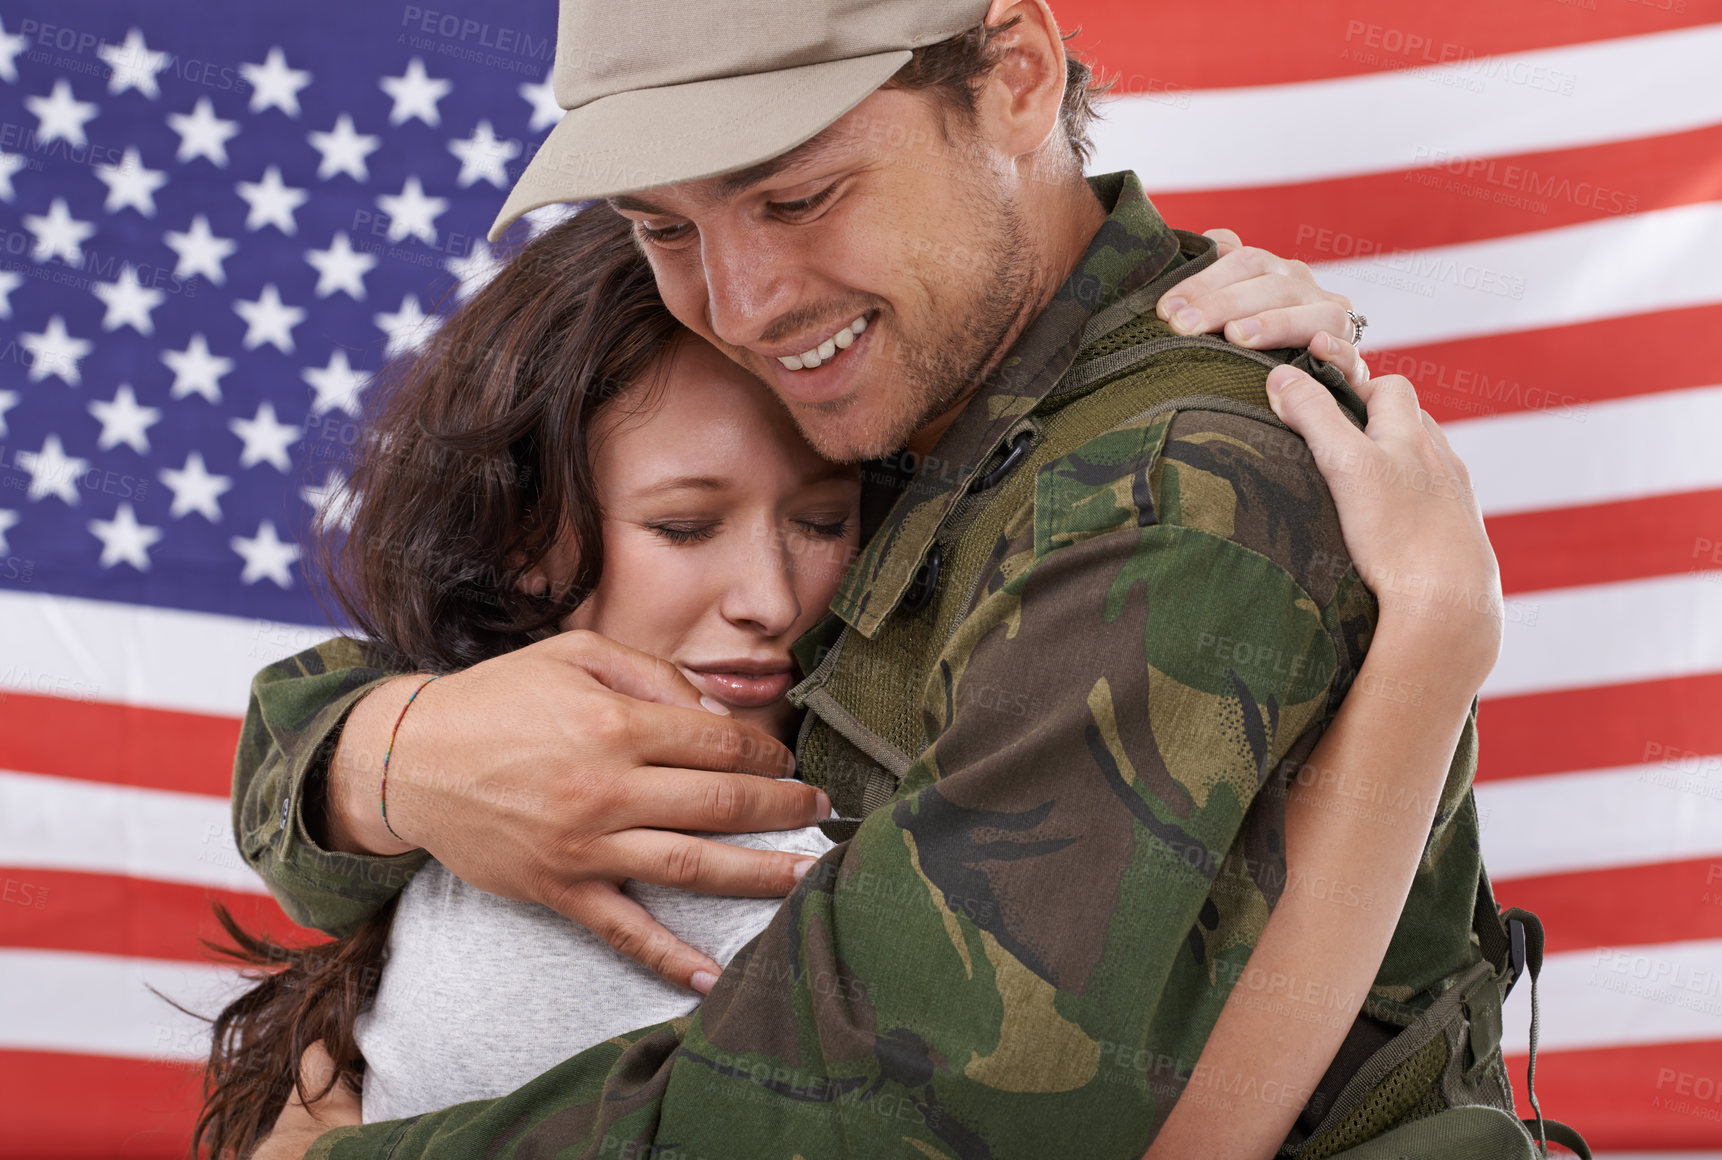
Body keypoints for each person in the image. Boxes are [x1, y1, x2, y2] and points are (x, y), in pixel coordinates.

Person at [238, 1, 1518, 1156]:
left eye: (797, 198)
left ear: (1016, 77)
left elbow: (919, 1102)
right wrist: (376, 760)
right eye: (664, 226)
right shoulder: (904, 396)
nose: (737, 303)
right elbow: (416, 671)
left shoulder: (1157, 485)